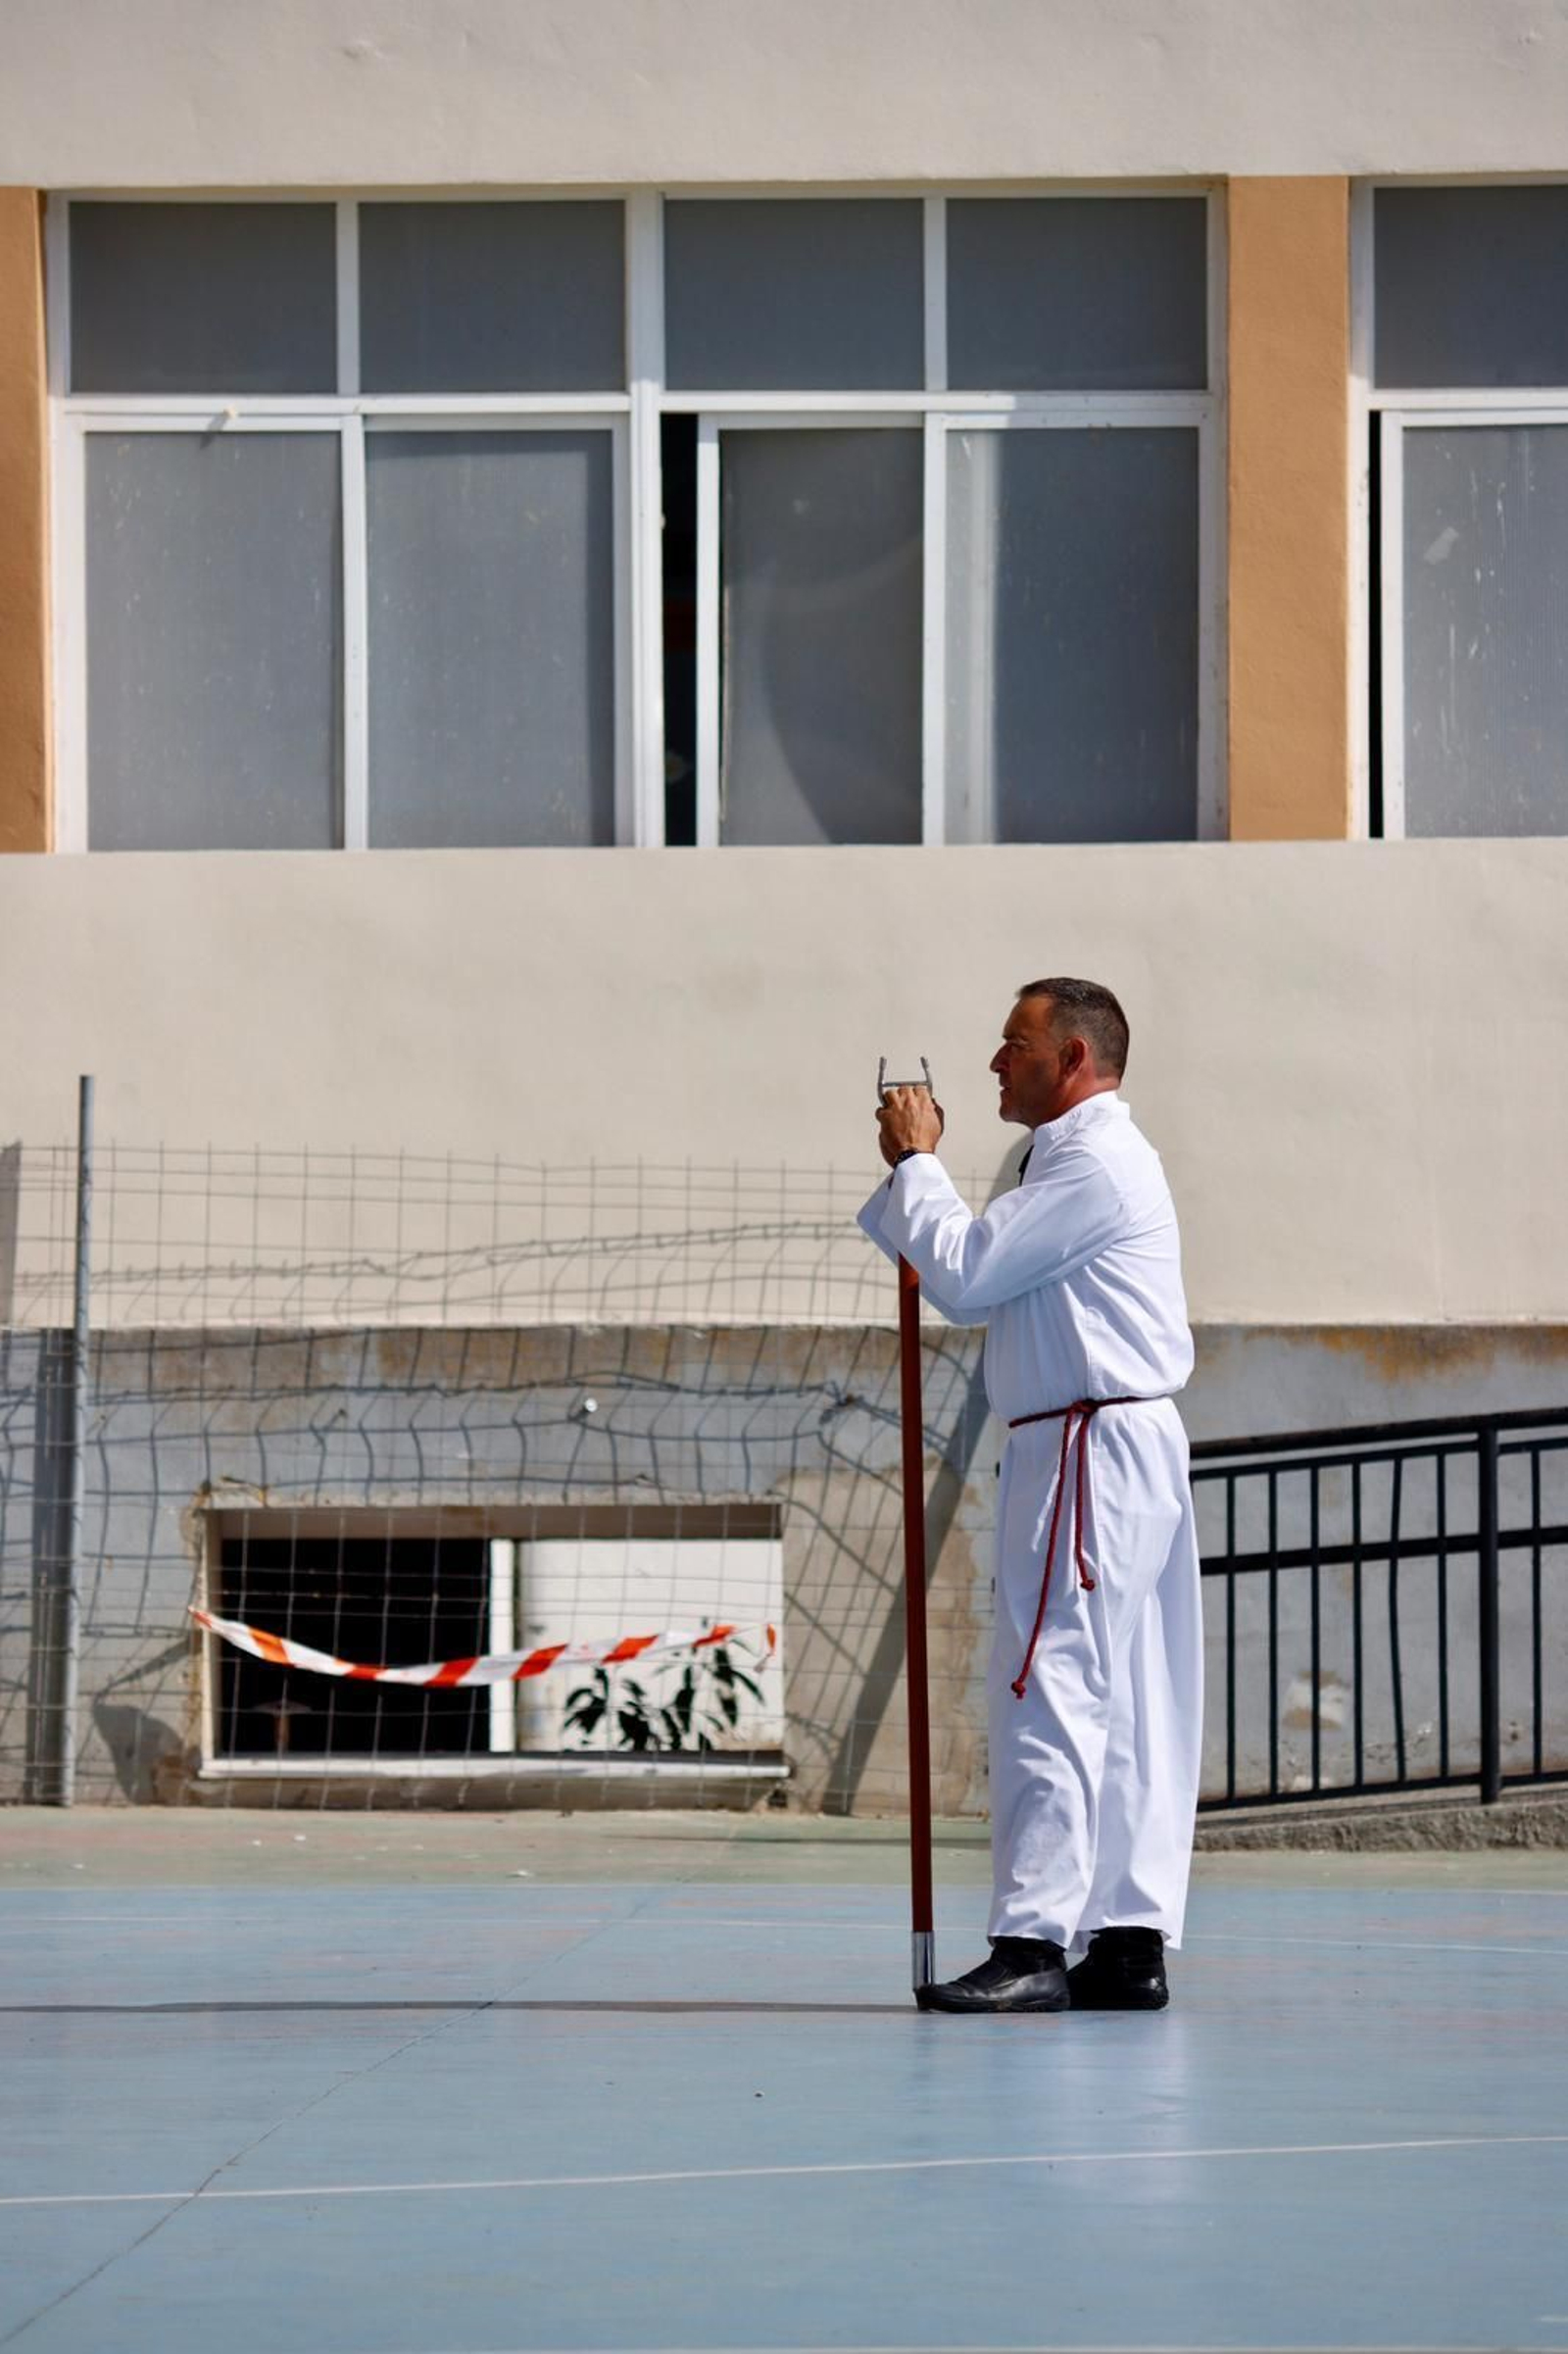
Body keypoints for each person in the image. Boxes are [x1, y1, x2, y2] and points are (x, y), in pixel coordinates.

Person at [859, 979, 1200, 2014]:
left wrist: (917, 1162)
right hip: (1111, 1436)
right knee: (1131, 1696)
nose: (996, 1061)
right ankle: (1127, 1938)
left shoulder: (1090, 1160)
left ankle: (1033, 1935)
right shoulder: (1070, 1159)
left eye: (1018, 1044)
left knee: (1047, 1683)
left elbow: (964, 1274)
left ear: (1077, 1060)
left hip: (1088, 1448)